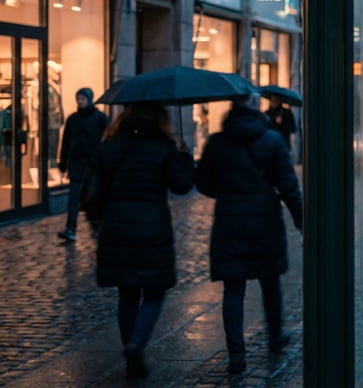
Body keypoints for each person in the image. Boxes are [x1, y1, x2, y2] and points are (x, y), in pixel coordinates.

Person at [196, 92, 303, 375]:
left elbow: (205, 185)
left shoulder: (217, 142)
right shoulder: (271, 140)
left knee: (233, 289)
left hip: (229, 220)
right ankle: (276, 336)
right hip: (264, 220)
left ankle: (236, 355)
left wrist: (228, 190)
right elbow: (289, 186)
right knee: (270, 282)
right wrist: (301, 221)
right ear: (256, 108)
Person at [91, 102, 195, 378]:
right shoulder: (164, 145)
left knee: (127, 292)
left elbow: (96, 191)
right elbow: (181, 186)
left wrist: (96, 222)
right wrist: (185, 156)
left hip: (117, 227)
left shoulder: (110, 145)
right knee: (154, 290)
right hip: (152, 227)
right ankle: (136, 343)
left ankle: (131, 354)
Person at [57, 87, 110, 242]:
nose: (80, 102)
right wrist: (63, 162)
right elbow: (66, 142)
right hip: (76, 164)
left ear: (89, 99)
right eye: (78, 99)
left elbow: (108, 139)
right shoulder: (72, 119)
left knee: (93, 196)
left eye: (83, 99)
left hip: (93, 165)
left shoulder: (100, 118)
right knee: (73, 198)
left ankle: (96, 226)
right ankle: (70, 228)